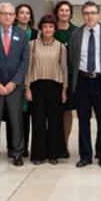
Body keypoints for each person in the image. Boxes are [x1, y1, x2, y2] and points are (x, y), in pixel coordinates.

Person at [70, 1, 101, 168]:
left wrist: (100, 72)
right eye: (86, 13)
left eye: (93, 13)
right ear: (82, 16)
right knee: (83, 120)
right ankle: (85, 156)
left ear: (98, 15)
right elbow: (72, 58)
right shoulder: (76, 34)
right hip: (82, 81)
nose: (89, 16)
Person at [0, 2, 29, 167]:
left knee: (16, 120)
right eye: (4, 13)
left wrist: (14, 82)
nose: (7, 16)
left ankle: (17, 152)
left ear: (14, 16)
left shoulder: (22, 35)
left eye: (10, 14)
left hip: (14, 87)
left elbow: (24, 62)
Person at [25, 14, 68, 164]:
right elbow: (28, 68)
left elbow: (64, 69)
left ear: (55, 28)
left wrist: (64, 89)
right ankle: (38, 154)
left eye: (51, 26)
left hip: (55, 86)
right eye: (45, 26)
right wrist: (27, 88)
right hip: (36, 85)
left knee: (55, 120)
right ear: (41, 28)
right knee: (38, 121)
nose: (48, 29)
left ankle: (54, 154)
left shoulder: (61, 47)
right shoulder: (33, 45)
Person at [5, 4, 38, 158]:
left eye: (27, 13)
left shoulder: (36, 34)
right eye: (21, 13)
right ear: (16, 16)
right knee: (12, 113)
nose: (24, 15)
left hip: (31, 78)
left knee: (26, 114)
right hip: (13, 78)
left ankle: (23, 147)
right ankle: (12, 146)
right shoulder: (8, 33)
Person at [54, 0, 77, 157]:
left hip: (70, 76)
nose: (64, 13)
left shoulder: (76, 31)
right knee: (53, 111)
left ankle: (65, 144)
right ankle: (54, 144)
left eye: (67, 10)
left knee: (67, 111)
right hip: (52, 76)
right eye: (61, 10)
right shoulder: (50, 29)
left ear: (70, 13)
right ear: (57, 12)